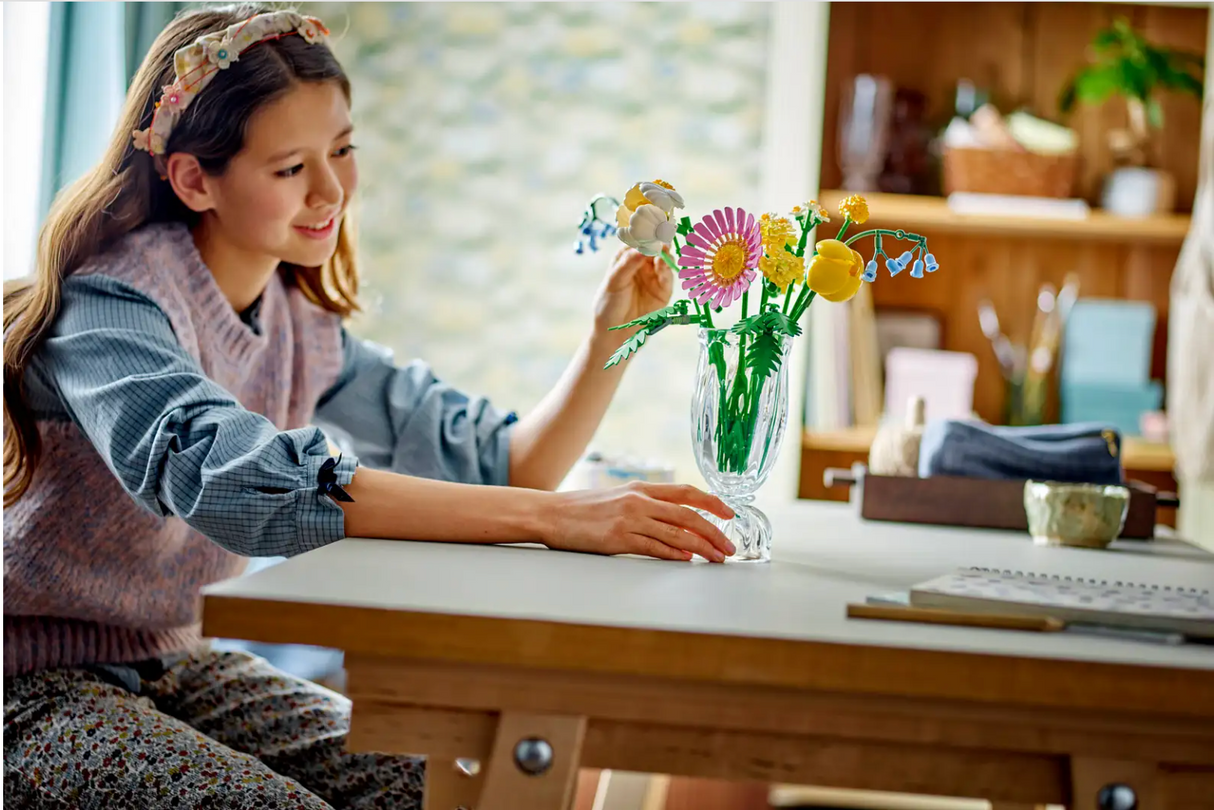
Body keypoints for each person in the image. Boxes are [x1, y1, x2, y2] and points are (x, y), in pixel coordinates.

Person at [2, 5, 736, 808]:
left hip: (173, 662)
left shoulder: (298, 324)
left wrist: (609, 338)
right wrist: (556, 519)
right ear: (192, 178)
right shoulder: (108, 306)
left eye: (343, 151)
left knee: (449, 791)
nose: (331, 191)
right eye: (291, 169)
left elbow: (502, 465)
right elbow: (225, 478)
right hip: (27, 688)